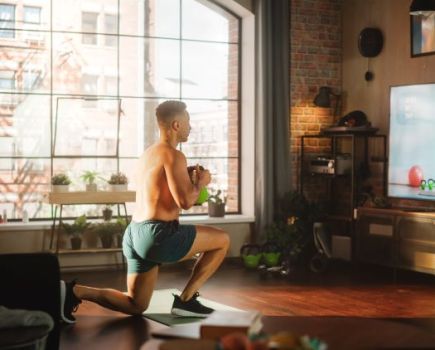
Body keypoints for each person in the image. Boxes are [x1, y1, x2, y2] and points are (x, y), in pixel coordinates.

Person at [60, 100, 230, 324]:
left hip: (134, 233)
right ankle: (186, 301)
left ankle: (75, 291)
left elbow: (159, 192)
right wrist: (202, 183)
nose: (191, 127)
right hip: (159, 236)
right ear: (176, 125)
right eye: (188, 122)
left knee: (136, 304)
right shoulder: (174, 155)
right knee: (223, 240)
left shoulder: (148, 154)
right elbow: (186, 201)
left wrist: (186, 179)